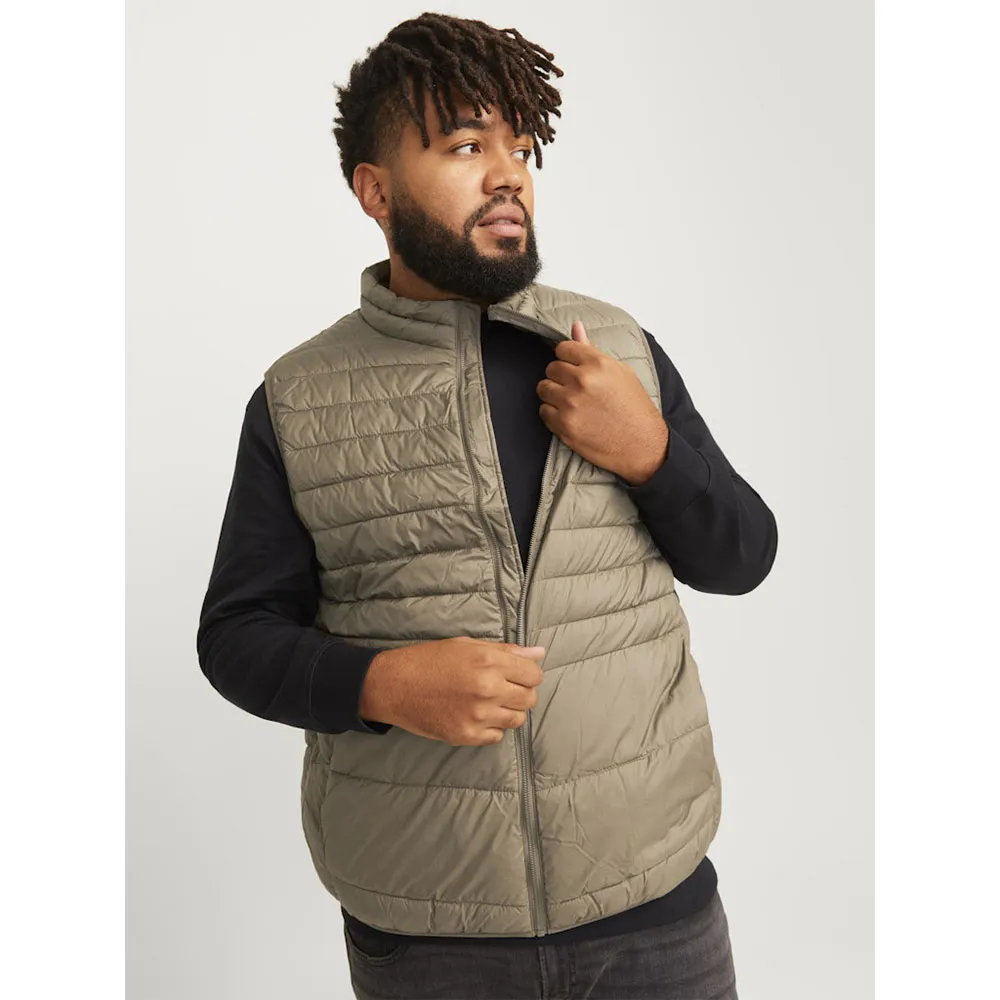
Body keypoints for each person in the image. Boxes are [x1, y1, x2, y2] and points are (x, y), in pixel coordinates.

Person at [197, 12, 777, 999]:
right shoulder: (298, 398)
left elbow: (742, 556)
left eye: (520, 147)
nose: (508, 174)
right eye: (466, 146)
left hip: (654, 908)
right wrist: (382, 685)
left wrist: (650, 451)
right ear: (375, 191)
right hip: (430, 932)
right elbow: (236, 636)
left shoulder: (616, 351)